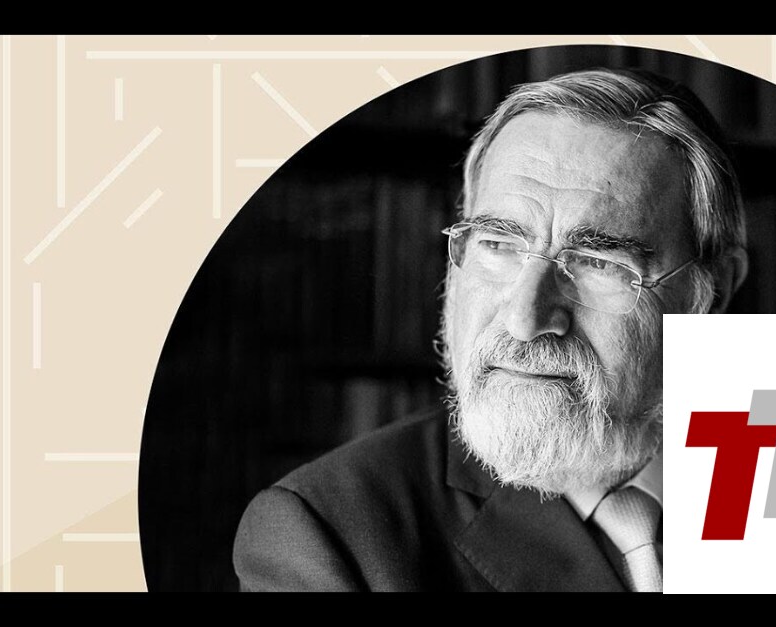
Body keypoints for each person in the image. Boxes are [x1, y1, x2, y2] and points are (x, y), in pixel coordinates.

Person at [231, 67, 748, 592]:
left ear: (714, 293)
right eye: (498, 245)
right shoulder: (329, 535)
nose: (524, 320)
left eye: (597, 262)